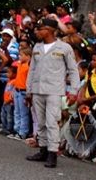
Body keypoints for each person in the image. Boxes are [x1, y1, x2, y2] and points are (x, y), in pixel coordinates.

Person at [25, 17, 80, 168]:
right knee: (41, 122)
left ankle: (52, 153)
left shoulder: (64, 48)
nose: (37, 32)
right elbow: (32, 70)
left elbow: (73, 70)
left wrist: (74, 90)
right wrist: (28, 90)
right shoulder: (37, 47)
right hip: (37, 90)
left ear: (49, 31)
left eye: (40, 29)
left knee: (52, 122)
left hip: (54, 90)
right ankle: (42, 149)